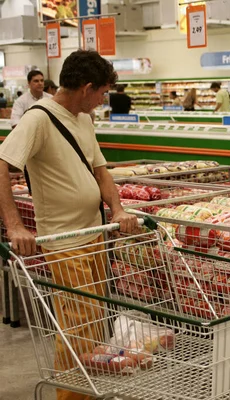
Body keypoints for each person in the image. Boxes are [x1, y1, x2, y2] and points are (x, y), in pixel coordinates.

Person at [0, 49, 138, 400]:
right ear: (87, 87)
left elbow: (100, 170)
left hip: (95, 236)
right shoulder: (38, 118)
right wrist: (15, 226)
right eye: (103, 92)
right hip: (65, 241)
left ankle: (84, 394)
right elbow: (2, 164)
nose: (104, 99)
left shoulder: (84, 119)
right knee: (79, 326)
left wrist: (118, 209)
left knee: (92, 325)